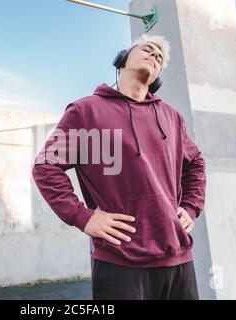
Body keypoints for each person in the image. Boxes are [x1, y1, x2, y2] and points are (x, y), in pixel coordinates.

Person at [32, 34, 207, 300]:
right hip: (120, 263)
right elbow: (46, 166)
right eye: (147, 49)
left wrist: (191, 207)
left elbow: (196, 164)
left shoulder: (173, 118)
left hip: (179, 259)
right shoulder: (85, 111)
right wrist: (82, 216)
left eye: (160, 58)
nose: (155, 56)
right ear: (122, 59)